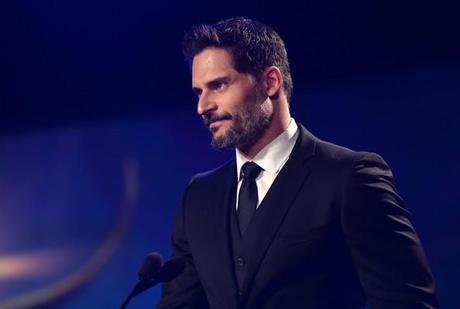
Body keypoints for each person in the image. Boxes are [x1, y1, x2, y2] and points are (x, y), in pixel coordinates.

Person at [157, 17, 438, 308]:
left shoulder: (348, 178)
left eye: (218, 85)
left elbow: (408, 302)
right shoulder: (199, 197)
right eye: (199, 92)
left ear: (270, 82)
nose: (203, 106)